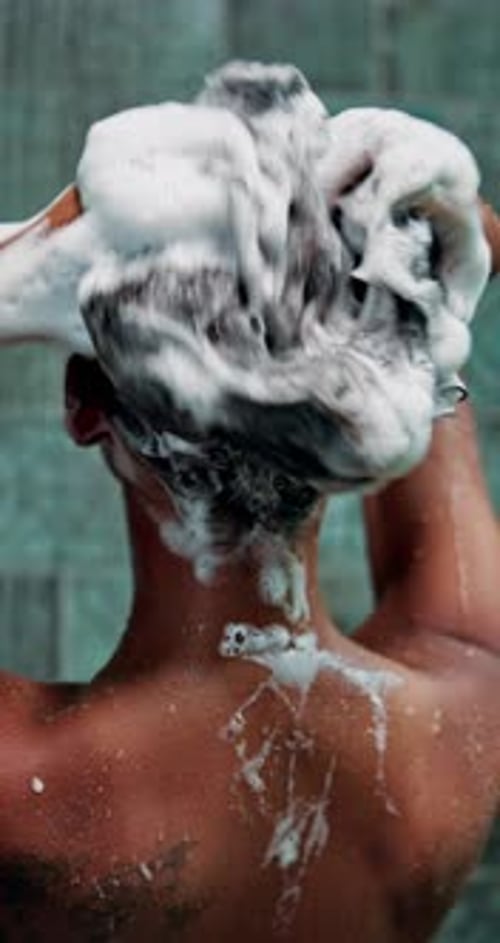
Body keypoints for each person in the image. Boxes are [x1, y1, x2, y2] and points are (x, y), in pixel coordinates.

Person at [1, 68, 500, 942]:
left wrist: (27, 266)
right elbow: (417, 372)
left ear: (83, 407)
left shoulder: (29, 784)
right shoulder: (463, 723)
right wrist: (392, 273)